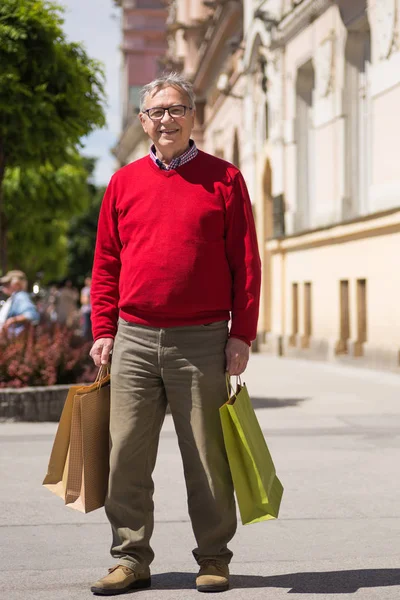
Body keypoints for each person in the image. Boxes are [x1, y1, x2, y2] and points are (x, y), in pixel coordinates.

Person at [89, 72, 261, 596]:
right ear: (143, 122)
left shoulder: (224, 179)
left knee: (207, 457)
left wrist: (241, 335)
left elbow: (246, 264)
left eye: (176, 109)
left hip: (203, 339)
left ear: (193, 116)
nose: (166, 119)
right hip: (135, 337)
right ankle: (130, 557)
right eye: (156, 111)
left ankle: (213, 557)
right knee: (125, 457)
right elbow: (105, 263)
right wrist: (103, 328)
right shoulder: (123, 182)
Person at [0, 270, 39, 335]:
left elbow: (31, 315)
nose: (4, 286)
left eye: (7, 283)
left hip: (13, 340)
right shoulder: (14, 297)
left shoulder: (20, 296)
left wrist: (11, 321)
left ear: (16, 284)